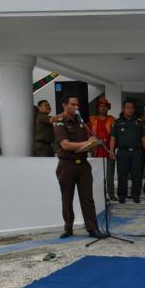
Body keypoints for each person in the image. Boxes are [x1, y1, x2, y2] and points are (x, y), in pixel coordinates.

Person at [53, 95, 103, 239]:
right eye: (73, 105)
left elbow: (86, 141)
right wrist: (86, 144)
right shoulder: (60, 123)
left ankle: (92, 229)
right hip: (67, 165)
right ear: (65, 105)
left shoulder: (81, 123)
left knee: (87, 198)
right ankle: (68, 228)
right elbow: (65, 145)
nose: (76, 108)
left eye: (77, 105)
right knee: (67, 198)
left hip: (83, 165)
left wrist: (92, 142)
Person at [109, 100, 145, 204]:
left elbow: (143, 138)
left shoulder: (139, 122)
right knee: (122, 175)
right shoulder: (117, 122)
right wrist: (111, 150)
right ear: (123, 109)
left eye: (131, 108)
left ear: (134, 109)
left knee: (137, 175)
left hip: (136, 152)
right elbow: (113, 137)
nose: (130, 109)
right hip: (123, 152)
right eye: (127, 107)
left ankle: (136, 195)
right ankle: (122, 196)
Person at [87, 97, 117, 201]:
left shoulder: (112, 119)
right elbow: (88, 134)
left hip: (109, 150)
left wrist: (113, 149)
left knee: (110, 174)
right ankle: (101, 195)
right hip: (96, 150)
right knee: (98, 174)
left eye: (105, 106)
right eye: (101, 106)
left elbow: (115, 135)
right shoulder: (92, 119)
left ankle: (111, 194)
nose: (103, 108)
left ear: (108, 108)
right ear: (97, 108)